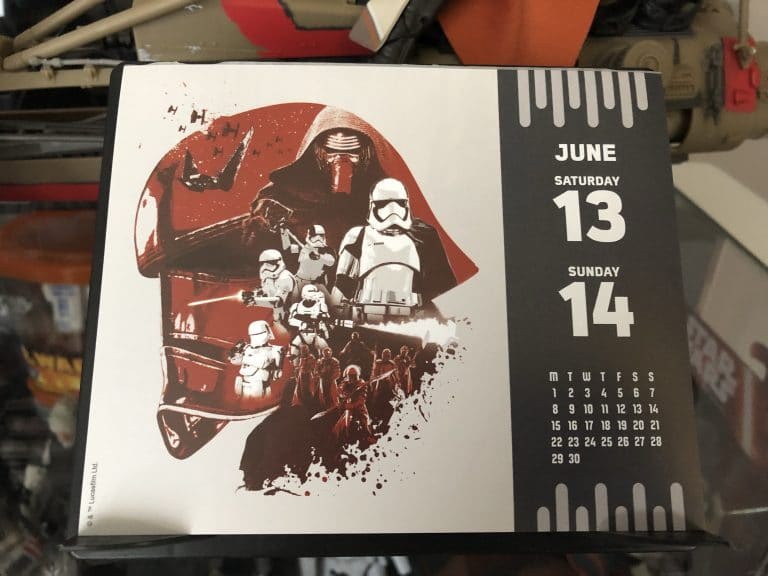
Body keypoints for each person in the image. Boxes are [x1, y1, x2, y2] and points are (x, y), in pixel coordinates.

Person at [247, 106, 389, 252]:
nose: (341, 160)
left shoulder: (384, 196)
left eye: (352, 151)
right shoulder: (279, 195)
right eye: (332, 151)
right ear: (316, 151)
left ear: (367, 153)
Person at [333, 178, 456, 323]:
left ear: (406, 204)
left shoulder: (423, 236)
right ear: (372, 205)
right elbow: (342, 286)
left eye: (399, 203)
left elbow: (441, 288)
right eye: (384, 203)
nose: (392, 210)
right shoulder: (358, 236)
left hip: (410, 322)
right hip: (365, 319)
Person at [228, 320, 284, 399]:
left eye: (257, 335)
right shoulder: (246, 347)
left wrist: (242, 358)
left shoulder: (274, 350)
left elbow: (263, 362)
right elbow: (234, 361)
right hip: (243, 386)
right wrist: (234, 356)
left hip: (260, 388)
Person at [282, 224, 336, 292]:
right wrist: (284, 233)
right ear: (309, 236)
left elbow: (331, 262)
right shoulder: (303, 248)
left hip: (317, 283)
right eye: (314, 235)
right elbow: (287, 250)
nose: (318, 238)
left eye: (321, 235)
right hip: (300, 281)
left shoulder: (328, 250)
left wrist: (319, 256)